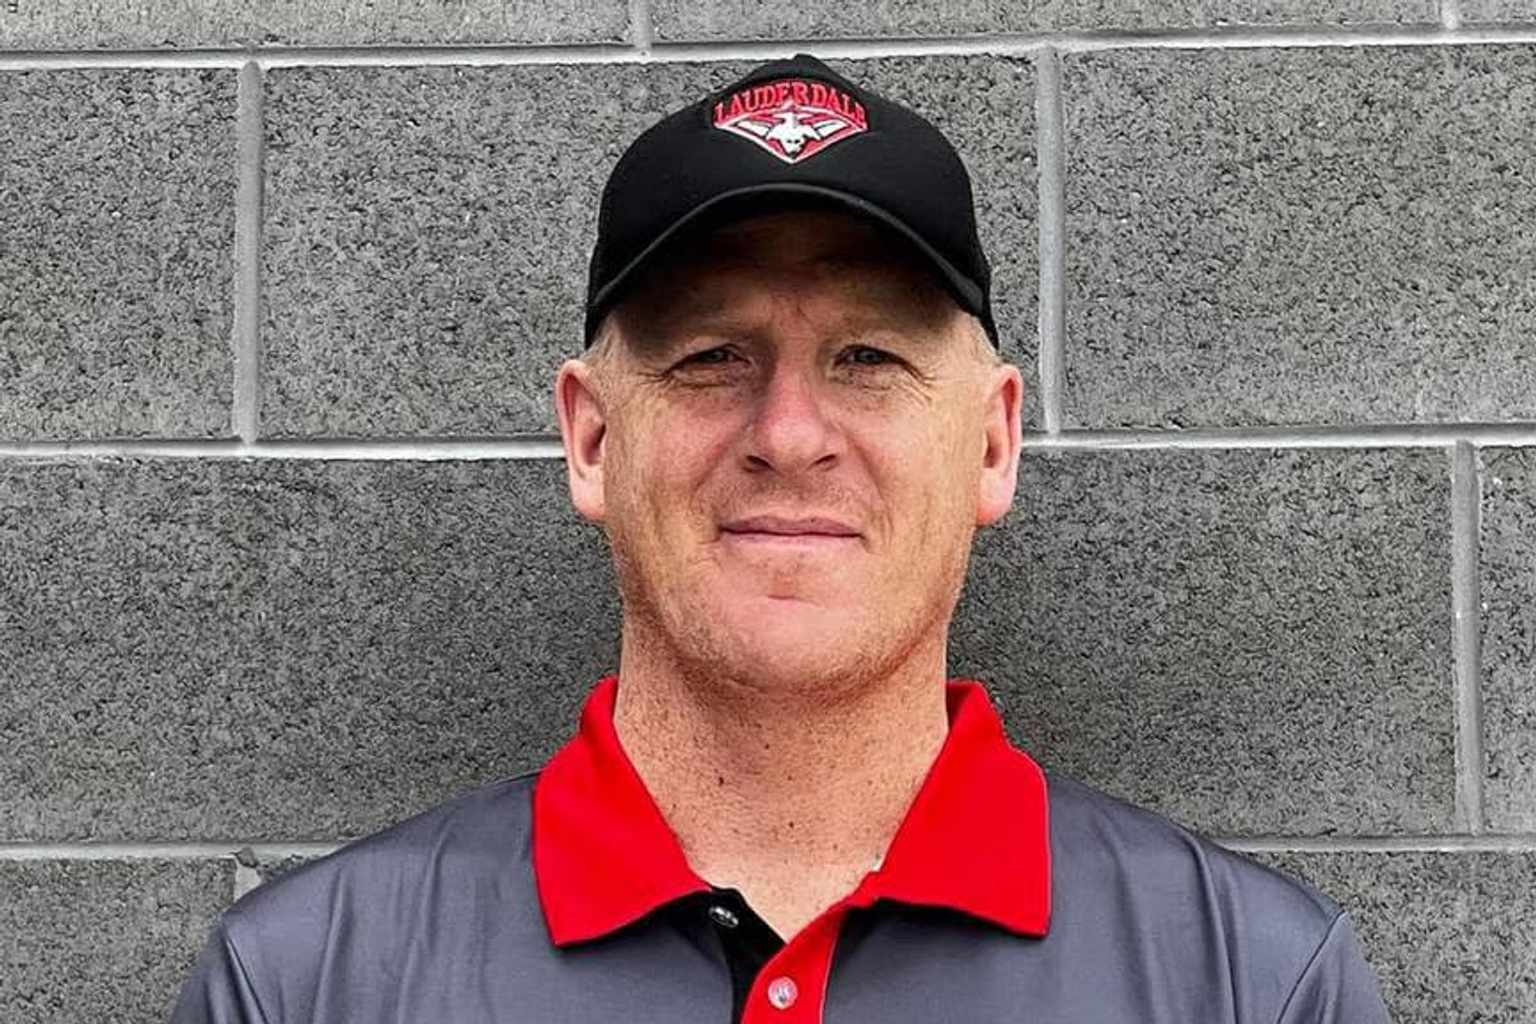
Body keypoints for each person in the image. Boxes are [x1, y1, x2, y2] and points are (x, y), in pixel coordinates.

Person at [170, 53, 1392, 1023]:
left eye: (869, 356)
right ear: (593, 440)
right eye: (711, 356)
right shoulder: (309, 983)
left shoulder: (1252, 980)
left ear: (990, 442)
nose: (791, 433)